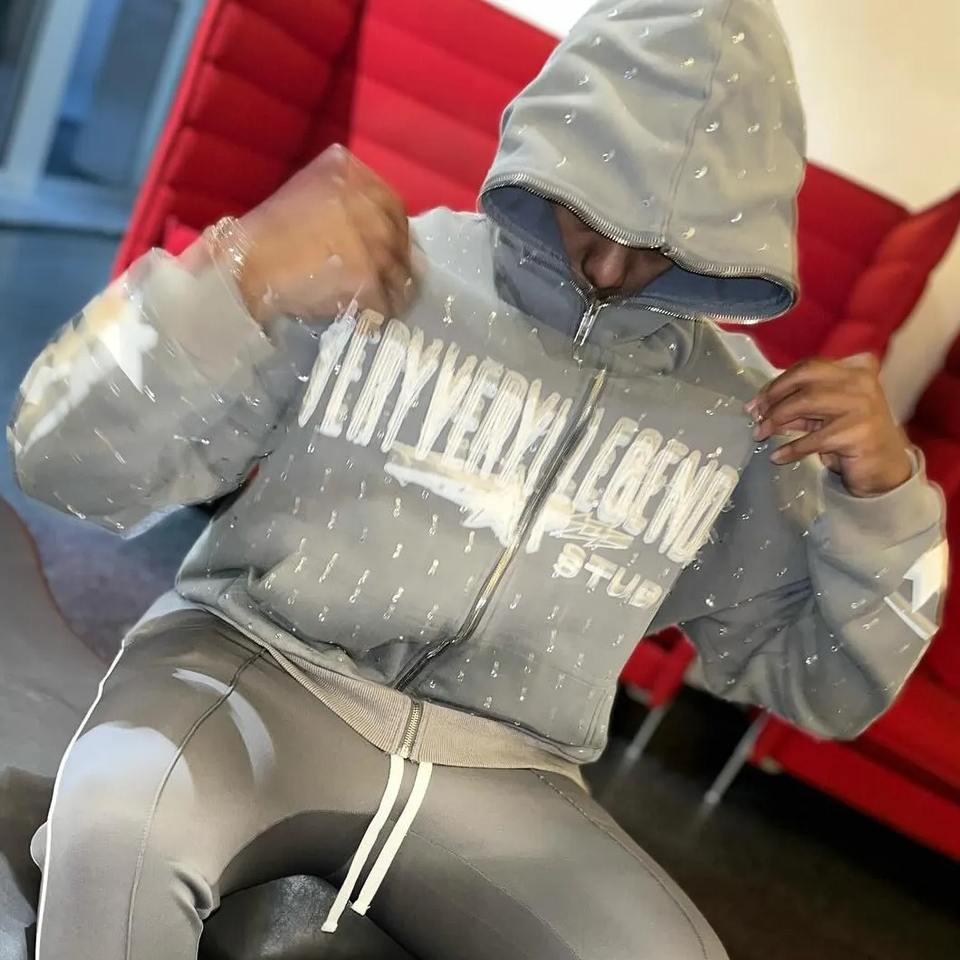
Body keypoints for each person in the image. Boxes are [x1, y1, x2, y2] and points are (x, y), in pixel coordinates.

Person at [8, 1, 947, 958]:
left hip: (509, 779)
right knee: (121, 823)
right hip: (248, 672)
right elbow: (62, 462)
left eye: (665, 246)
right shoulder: (377, 270)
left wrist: (885, 504)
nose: (611, 265)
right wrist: (235, 274)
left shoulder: (737, 421)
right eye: (594, 210)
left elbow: (826, 693)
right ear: (554, 151)